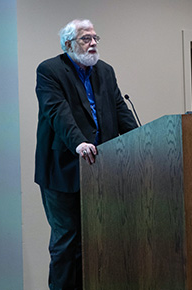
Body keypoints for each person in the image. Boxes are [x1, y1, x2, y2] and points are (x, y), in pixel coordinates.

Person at [35, 19, 138, 289]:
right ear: (69, 44)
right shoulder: (50, 70)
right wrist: (79, 142)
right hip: (63, 170)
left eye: (95, 38)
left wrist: (143, 141)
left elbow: (119, 110)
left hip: (100, 171)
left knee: (96, 242)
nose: (93, 43)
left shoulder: (105, 71)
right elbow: (57, 112)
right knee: (66, 244)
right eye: (85, 39)